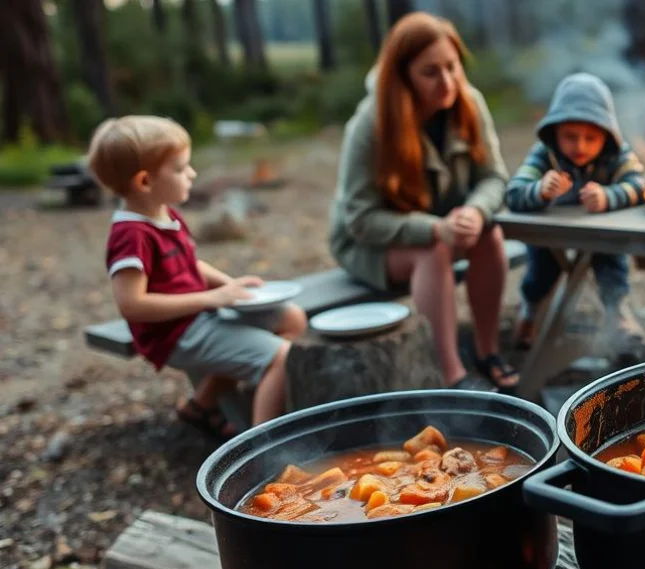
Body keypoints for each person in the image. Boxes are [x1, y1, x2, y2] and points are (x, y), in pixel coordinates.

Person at [328, 12, 517, 393]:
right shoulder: (370, 124)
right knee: (434, 248)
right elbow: (360, 219)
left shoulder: (469, 103)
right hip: (370, 242)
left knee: (490, 236)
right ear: (403, 75)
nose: (447, 82)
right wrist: (435, 227)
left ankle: (487, 351)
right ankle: (451, 376)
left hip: (444, 226)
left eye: (452, 67)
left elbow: (495, 178)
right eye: (430, 72)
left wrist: (476, 212)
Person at [89, 115, 307, 439]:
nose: (191, 174)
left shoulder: (163, 213)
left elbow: (190, 263)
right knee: (279, 357)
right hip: (174, 333)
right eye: (180, 168)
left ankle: (202, 405)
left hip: (198, 316)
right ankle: (262, 447)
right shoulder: (132, 235)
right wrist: (211, 298)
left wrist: (228, 284)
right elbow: (131, 305)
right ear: (144, 182)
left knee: (292, 318)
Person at [504, 73, 645, 350]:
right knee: (540, 273)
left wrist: (609, 196)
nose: (580, 146)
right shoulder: (544, 155)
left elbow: (641, 184)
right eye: (569, 136)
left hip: (600, 235)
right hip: (552, 237)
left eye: (590, 137)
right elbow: (513, 193)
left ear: (606, 134)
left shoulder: (616, 153)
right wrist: (540, 190)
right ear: (554, 132)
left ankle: (616, 311)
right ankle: (531, 310)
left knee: (612, 263)